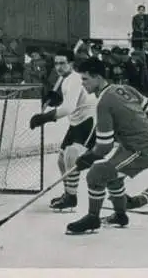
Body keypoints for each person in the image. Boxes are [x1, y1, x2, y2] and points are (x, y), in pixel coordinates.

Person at [66, 57, 148, 235]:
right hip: (135, 145)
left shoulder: (103, 102)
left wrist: (87, 158)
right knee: (113, 176)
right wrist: (132, 127)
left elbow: (104, 146)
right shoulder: (123, 88)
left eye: (85, 79)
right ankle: (120, 215)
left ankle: (93, 218)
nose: (83, 84)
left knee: (96, 174)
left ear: (98, 77)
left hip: (141, 150)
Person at [29, 49, 97, 210]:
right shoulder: (66, 79)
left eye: (62, 63)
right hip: (76, 122)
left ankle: (71, 198)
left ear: (71, 64)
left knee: (71, 157)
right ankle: (68, 192)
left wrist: (44, 118)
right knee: (61, 160)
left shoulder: (75, 79)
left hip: (88, 122)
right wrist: (55, 100)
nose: (58, 67)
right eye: (56, 63)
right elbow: (68, 102)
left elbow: (68, 108)